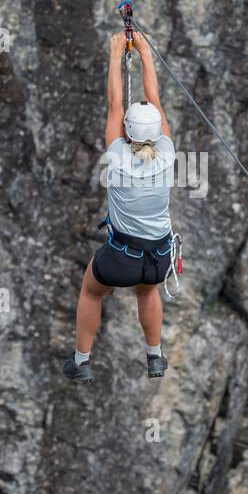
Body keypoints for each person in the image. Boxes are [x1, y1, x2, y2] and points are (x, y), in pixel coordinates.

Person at [63, 30, 175, 384]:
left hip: (122, 257)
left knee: (91, 291)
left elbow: (115, 105)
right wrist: (145, 53)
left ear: (127, 132)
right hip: (158, 257)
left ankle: (82, 360)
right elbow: (154, 98)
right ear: (157, 133)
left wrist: (115, 54)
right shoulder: (169, 153)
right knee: (148, 289)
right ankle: (154, 355)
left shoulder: (117, 155)